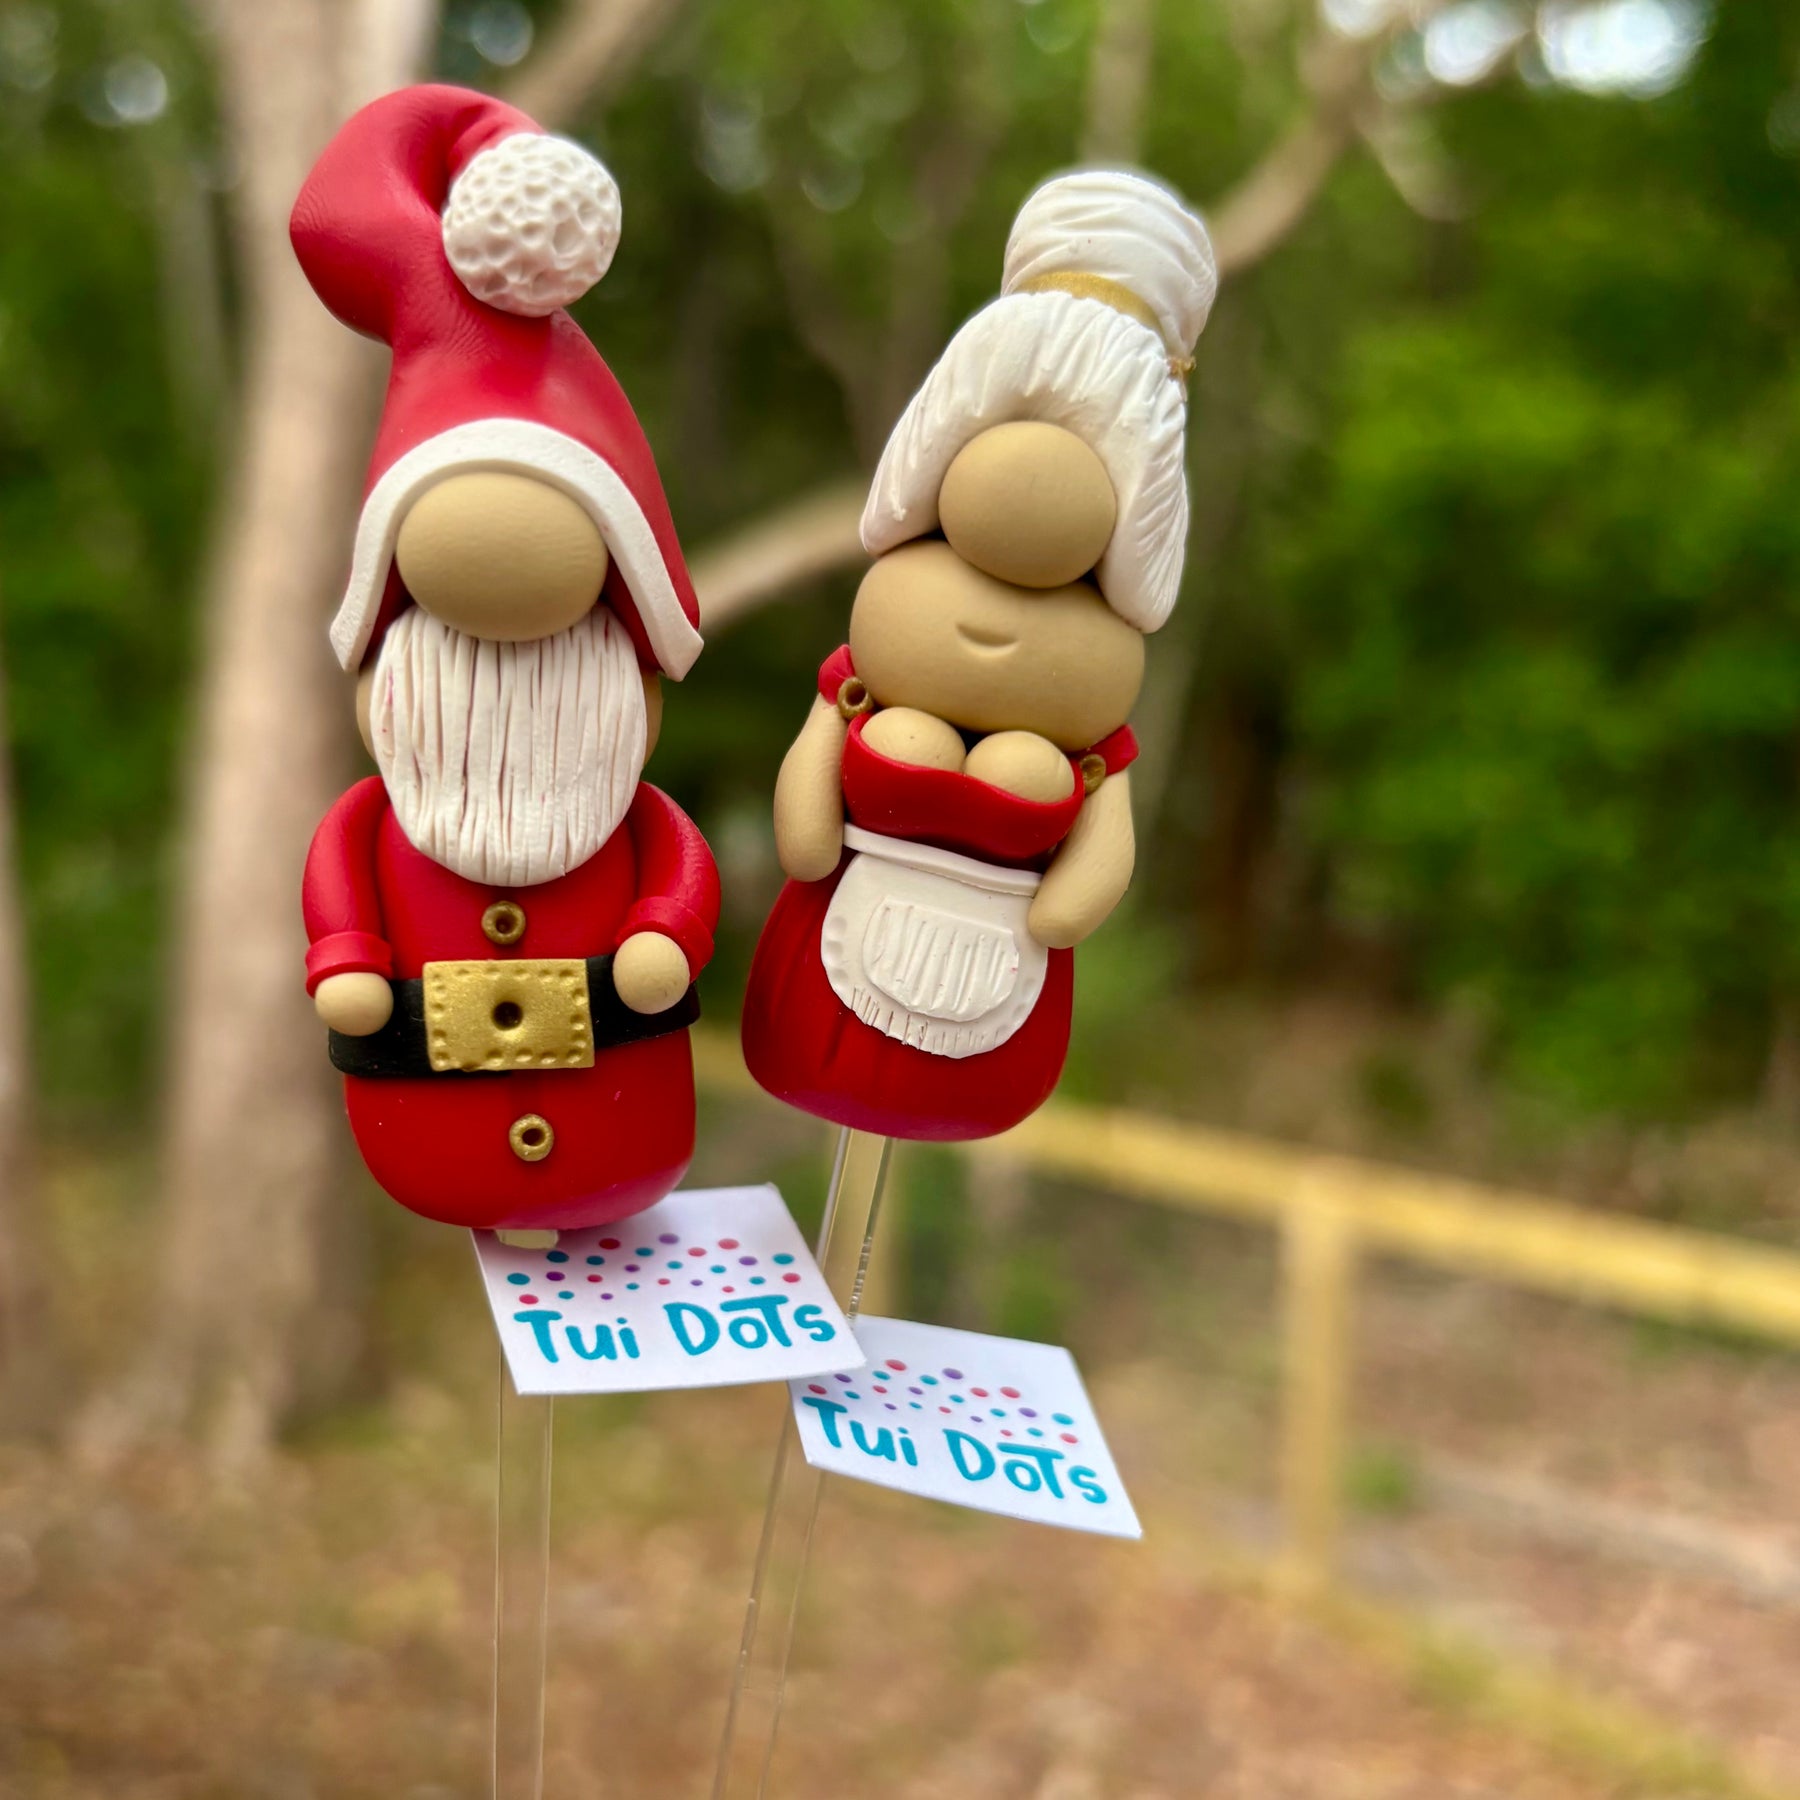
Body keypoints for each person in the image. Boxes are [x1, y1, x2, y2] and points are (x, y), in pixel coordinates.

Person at [295, 87, 718, 1239]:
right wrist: (347, 952)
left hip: (619, 1098)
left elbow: (671, 857)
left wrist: (664, 933)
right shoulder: (393, 809)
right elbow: (346, 859)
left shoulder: (615, 805)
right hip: (428, 1107)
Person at [744, 169, 1215, 1141]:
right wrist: (813, 815)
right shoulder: (866, 679)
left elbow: (1092, 865)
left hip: (1000, 974)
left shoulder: (1132, 516)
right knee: (911, 741)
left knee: (1026, 766)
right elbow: (806, 830)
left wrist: (1065, 906)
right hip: (832, 955)